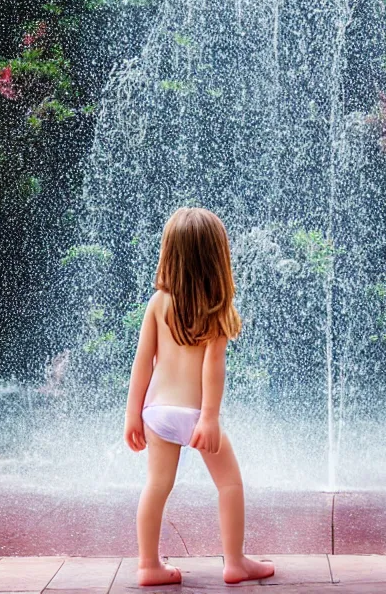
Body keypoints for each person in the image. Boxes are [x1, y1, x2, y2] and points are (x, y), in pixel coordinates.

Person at [124, 207, 274, 587]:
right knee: (230, 484)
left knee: (156, 486)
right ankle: (235, 562)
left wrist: (132, 415)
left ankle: (147, 565)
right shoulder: (215, 307)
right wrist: (209, 418)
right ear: (216, 257)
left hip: (157, 412)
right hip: (193, 412)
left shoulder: (158, 303)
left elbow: (142, 364)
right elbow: (213, 367)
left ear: (169, 253)